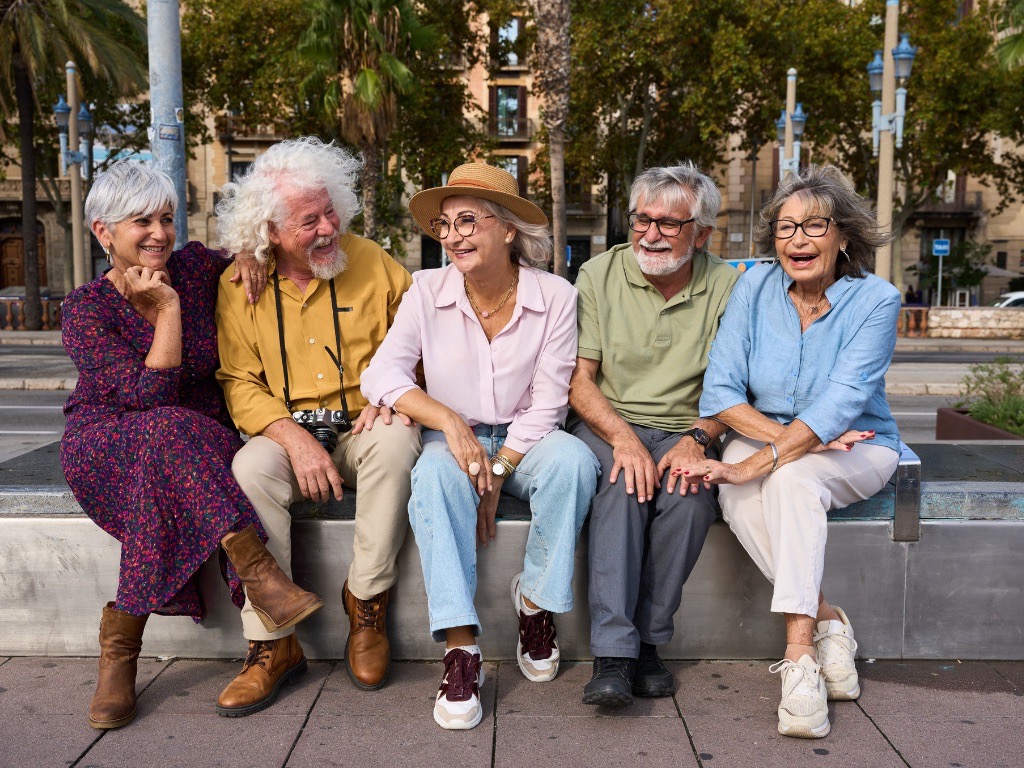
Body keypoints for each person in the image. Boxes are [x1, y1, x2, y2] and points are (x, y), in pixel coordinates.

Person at [60, 162, 323, 731]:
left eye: (166, 219)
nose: (158, 232)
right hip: (107, 443)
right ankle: (256, 571)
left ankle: (120, 651)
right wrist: (169, 312)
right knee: (161, 431)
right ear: (103, 231)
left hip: (199, 441)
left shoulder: (197, 267)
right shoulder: (85, 309)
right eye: (141, 222)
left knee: (169, 439)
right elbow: (145, 395)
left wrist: (252, 253)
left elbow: (259, 250)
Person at [362, 163, 600, 730]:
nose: (453, 236)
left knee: (575, 463)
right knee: (435, 477)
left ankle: (537, 604)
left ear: (510, 229)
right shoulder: (425, 291)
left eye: (468, 220)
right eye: (445, 225)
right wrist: (446, 419)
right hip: (454, 435)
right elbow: (382, 375)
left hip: (530, 437)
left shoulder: (556, 295)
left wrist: (496, 467)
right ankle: (461, 647)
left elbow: (550, 400)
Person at [684, 165, 901, 739]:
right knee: (744, 500)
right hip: (781, 434)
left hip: (861, 447)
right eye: (785, 228)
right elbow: (721, 393)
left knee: (788, 482)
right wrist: (797, 439)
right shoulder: (751, 286)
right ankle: (829, 621)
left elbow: (844, 403)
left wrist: (755, 462)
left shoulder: (877, 300)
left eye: (814, 226)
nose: (798, 240)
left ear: (843, 237)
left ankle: (799, 657)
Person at [215, 137, 420, 713]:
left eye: (331, 210)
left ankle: (366, 603)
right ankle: (272, 644)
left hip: (364, 424)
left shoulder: (373, 261)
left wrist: (402, 394)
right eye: (309, 221)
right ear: (271, 232)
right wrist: (293, 437)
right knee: (250, 466)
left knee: (397, 441)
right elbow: (238, 380)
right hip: (286, 432)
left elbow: (422, 340)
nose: (329, 227)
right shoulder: (240, 284)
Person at [567, 163, 739, 707]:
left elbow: (734, 385)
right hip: (608, 422)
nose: (651, 234)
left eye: (669, 224)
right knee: (622, 488)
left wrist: (700, 437)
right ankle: (614, 652)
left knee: (689, 497)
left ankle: (648, 641)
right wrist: (623, 438)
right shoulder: (598, 274)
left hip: (688, 425)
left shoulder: (730, 285)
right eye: (642, 219)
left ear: (703, 233)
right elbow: (580, 380)